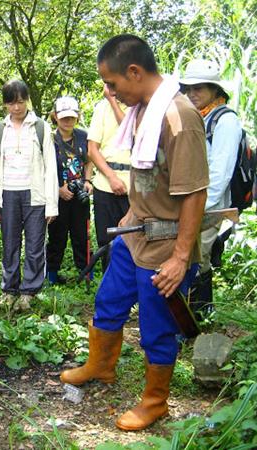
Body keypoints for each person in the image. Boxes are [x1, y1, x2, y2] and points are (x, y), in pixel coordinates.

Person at [60, 35, 209, 431]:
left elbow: (194, 192)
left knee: (157, 324)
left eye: (113, 84)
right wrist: (130, 213)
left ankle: (155, 401)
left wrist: (180, 257)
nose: (111, 93)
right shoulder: (142, 110)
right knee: (108, 299)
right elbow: (149, 176)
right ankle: (100, 366)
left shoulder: (179, 116)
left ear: (134, 72)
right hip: (135, 232)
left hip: (165, 245)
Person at [0, 80, 58, 312]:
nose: (16, 108)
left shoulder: (41, 127)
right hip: (8, 193)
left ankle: (29, 292)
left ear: (26, 100)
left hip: (35, 194)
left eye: (20, 101)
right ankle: (9, 290)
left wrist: (52, 204)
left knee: (35, 245)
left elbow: (50, 165)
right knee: (10, 244)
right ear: (5, 104)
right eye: (11, 103)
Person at [179, 59, 242, 314]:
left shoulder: (225, 120)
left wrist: (201, 207)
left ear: (215, 90)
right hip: (197, 204)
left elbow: (220, 172)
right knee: (198, 257)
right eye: (189, 88)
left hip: (210, 206)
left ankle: (198, 314)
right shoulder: (201, 117)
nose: (193, 93)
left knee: (197, 258)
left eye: (200, 88)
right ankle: (199, 311)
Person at [46, 96, 92, 284]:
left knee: (82, 235)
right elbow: (42, 168)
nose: (68, 121)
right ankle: (52, 276)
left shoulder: (83, 136)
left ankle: (86, 273)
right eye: (63, 117)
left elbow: (89, 161)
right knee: (57, 236)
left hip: (80, 195)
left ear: (78, 117)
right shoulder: (49, 139)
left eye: (71, 117)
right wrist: (58, 190)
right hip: (58, 196)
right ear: (55, 116)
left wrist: (88, 181)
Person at [87, 84, 130, 271]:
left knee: (134, 240)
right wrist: (112, 178)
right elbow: (92, 149)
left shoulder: (140, 107)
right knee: (106, 242)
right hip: (105, 185)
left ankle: (134, 293)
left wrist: (113, 102)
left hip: (135, 186)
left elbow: (130, 133)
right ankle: (110, 290)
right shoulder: (100, 109)